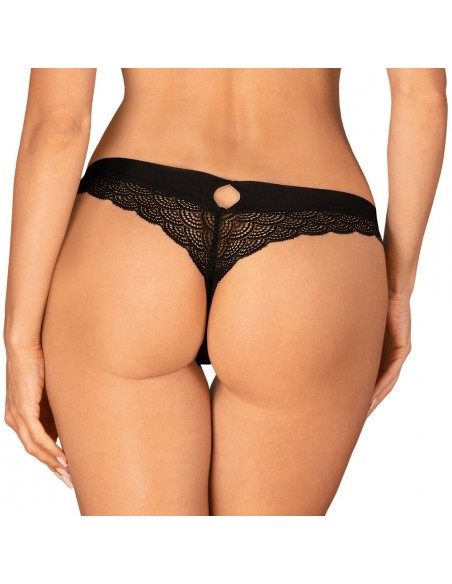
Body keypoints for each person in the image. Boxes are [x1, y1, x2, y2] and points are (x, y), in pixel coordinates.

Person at [3, 68, 447, 516]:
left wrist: (20, 341)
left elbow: (58, 126)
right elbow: (424, 98)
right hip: (313, 237)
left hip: (131, 232)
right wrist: (397, 290)